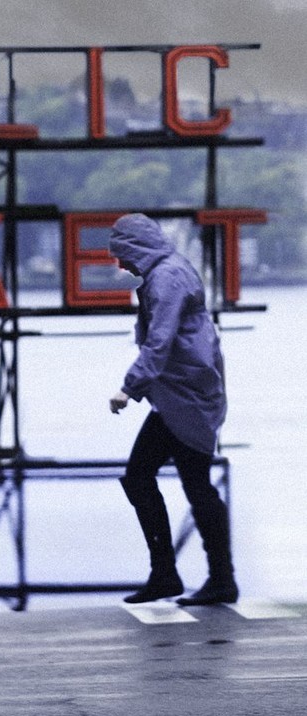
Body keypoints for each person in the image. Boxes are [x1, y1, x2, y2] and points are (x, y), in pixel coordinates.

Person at [106, 214, 237, 607]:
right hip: (179, 394)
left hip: (188, 396)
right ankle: (178, 575)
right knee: (161, 479)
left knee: (180, 483)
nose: (121, 264)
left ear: (137, 248)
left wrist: (128, 388)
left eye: (123, 254)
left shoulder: (167, 278)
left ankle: (204, 577)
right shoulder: (168, 272)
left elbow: (160, 340)